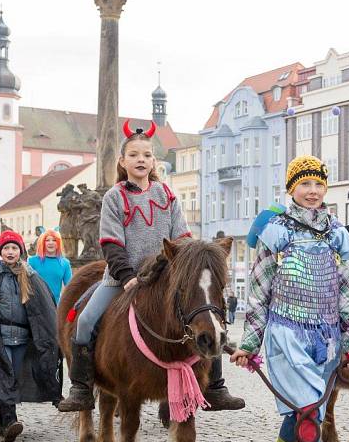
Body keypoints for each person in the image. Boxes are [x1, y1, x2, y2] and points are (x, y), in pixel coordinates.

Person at [58, 120, 244, 413]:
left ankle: (216, 386)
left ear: (153, 160)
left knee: (209, 319)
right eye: (133, 155)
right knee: (84, 322)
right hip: (122, 278)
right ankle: (81, 388)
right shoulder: (114, 197)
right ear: (122, 161)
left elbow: (181, 237)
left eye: (146, 155)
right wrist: (127, 275)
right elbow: (111, 243)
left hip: (165, 278)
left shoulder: (166, 194)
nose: (140, 160)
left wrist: (188, 262)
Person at [230, 155, 349, 442]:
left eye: (319, 184)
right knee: (307, 411)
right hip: (286, 334)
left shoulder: (338, 235)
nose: (313, 190)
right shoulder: (277, 233)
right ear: (291, 188)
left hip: (326, 339)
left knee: (304, 413)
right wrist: (250, 343)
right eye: (305, 184)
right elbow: (258, 292)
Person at [0, 230, 62, 442]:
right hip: (0, 337)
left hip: (23, 338)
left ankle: (1, 419)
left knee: (14, 376)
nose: (10, 252)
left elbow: (44, 308)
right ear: (1, 251)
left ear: (20, 251)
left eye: (14, 248)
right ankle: (10, 421)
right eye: (6, 248)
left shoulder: (31, 275)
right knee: (4, 375)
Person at [27, 229, 72, 304]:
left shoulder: (65, 263)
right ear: (43, 243)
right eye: (47, 240)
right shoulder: (32, 261)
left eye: (54, 240)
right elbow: (26, 285)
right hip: (36, 305)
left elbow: (70, 288)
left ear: (58, 243)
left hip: (55, 306)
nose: (51, 243)